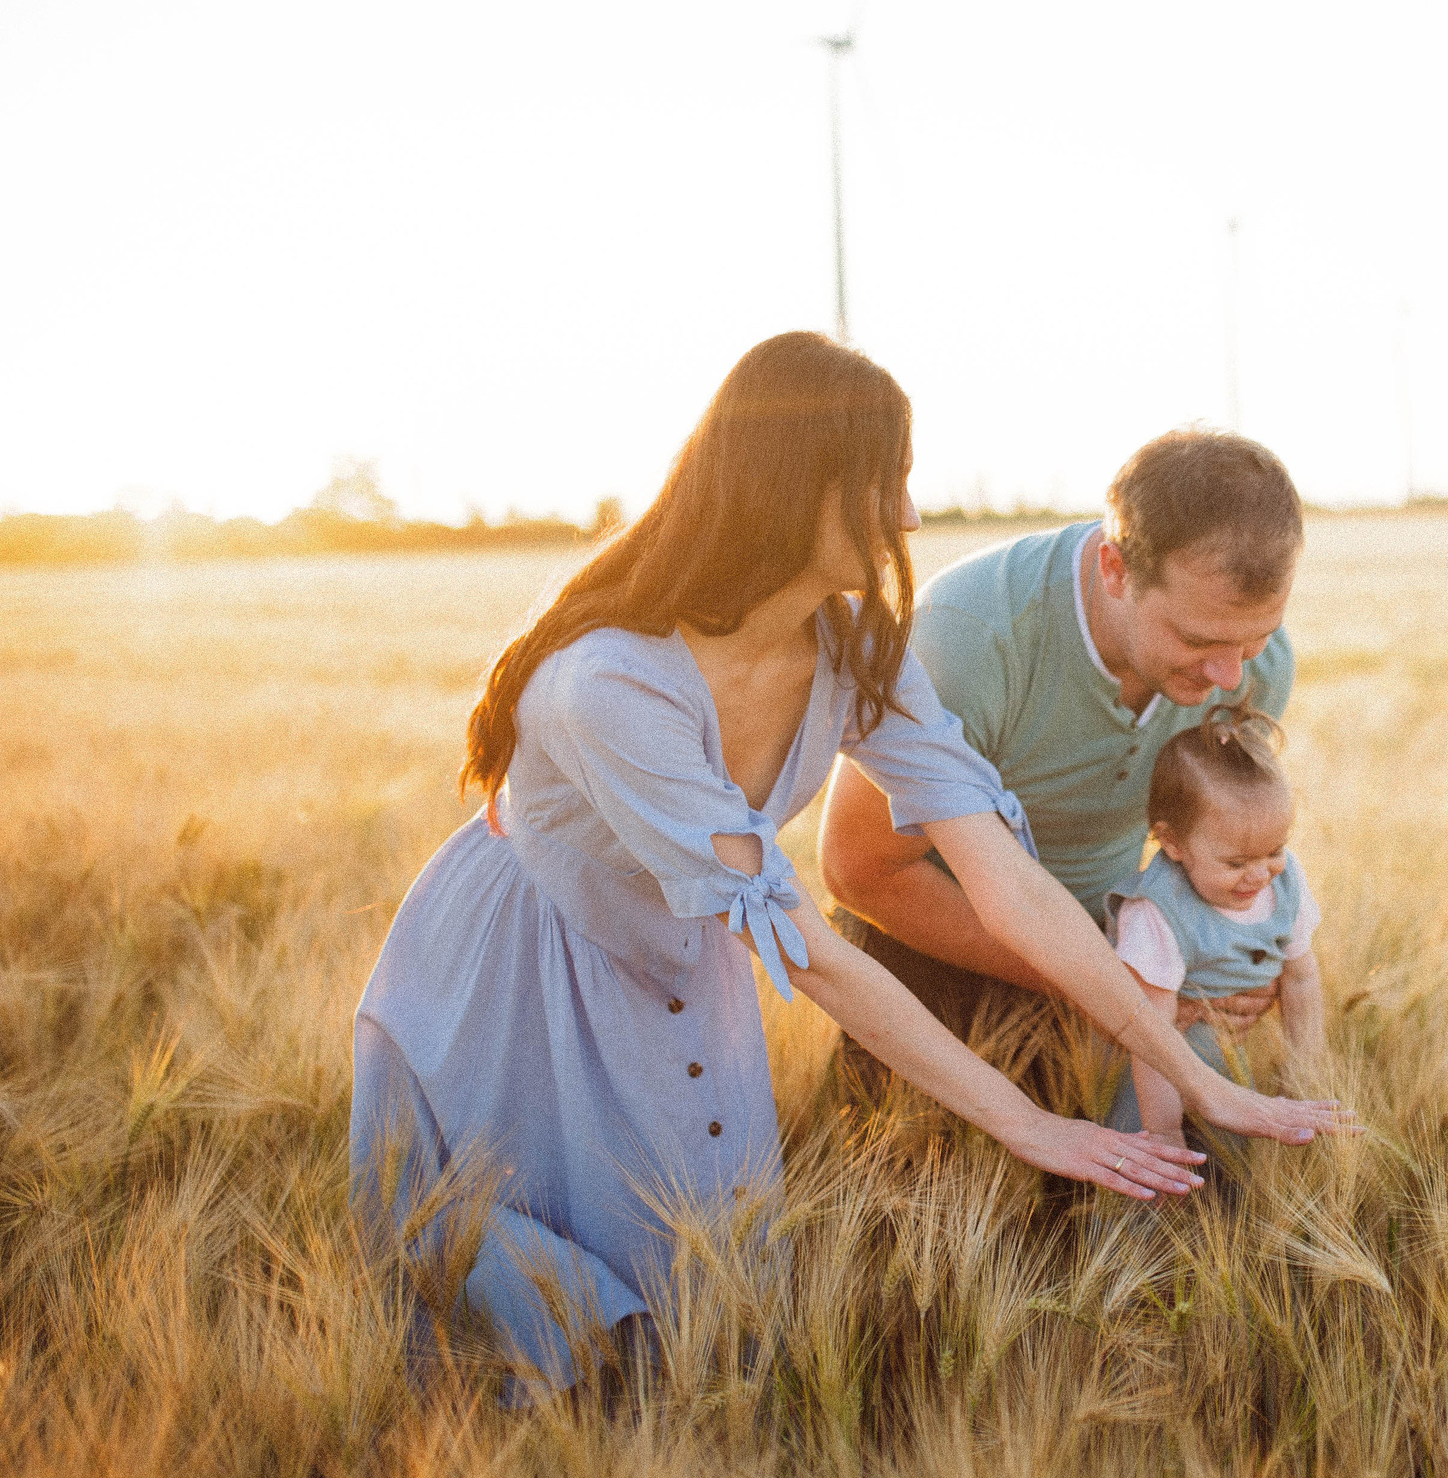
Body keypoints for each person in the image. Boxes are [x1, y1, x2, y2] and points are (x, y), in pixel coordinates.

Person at [350, 333, 1349, 1400]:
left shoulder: (855, 646)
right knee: (540, 1302)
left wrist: (1194, 1078)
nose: (909, 516)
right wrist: (1024, 1122)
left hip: (687, 961)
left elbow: (1007, 881)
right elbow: (810, 949)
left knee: (718, 1315)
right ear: (791, 487)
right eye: (886, 482)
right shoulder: (609, 687)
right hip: (529, 971)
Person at [819, 428, 1301, 1060]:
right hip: (936, 945)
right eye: (1196, 640)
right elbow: (860, 869)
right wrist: (1105, 984)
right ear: (1114, 569)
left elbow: (1209, 840)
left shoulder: (1259, 668)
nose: (1230, 677)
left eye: (1255, 639)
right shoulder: (970, 640)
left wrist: (1233, 954)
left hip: (1121, 951)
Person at [1104, 703, 1325, 1145]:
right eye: (1236, 863)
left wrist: (1304, 1075)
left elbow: (1301, 980)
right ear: (1173, 843)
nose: (1260, 875)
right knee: (1150, 1166)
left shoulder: (1286, 883)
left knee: (1233, 1166)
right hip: (1155, 1075)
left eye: (1274, 851)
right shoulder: (1158, 912)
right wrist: (1164, 1131)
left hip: (1233, 1063)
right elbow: (1150, 1030)